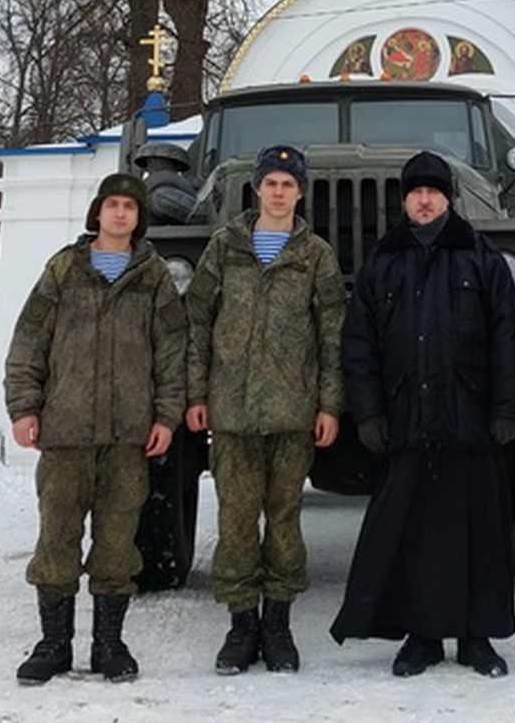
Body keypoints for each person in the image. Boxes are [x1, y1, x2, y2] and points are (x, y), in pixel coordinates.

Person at [330, 149, 515, 679]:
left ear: (448, 199)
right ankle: (422, 637)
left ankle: (476, 637)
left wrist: (508, 408)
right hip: (407, 417)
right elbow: (360, 344)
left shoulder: (481, 258)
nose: (424, 200)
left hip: (470, 417)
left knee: (479, 532)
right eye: (415, 192)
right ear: (405, 201)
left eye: (433, 192)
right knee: (414, 532)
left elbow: (506, 336)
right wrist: (368, 413)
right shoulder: (383, 262)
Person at [5, 172, 186, 686]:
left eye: (130, 206)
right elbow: (29, 342)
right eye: (112, 204)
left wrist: (166, 416)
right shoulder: (63, 270)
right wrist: (24, 408)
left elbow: (172, 352)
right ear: (98, 212)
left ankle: (109, 644)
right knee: (56, 538)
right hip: (65, 432)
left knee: (118, 544)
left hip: (128, 437)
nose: (120, 213)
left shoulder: (154, 277)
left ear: (139, 217)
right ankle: (54, 644)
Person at [185, 144, 345, 674]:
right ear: (257, 189)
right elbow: (198, 321)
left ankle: (278, 625)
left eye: (288, 184)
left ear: (300, 193)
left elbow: (331, 334)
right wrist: (197, 394)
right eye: (271, 183)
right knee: (235, 520)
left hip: (292, 411)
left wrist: (329, 403)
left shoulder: (315, 254)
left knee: (283, 520)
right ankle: (241, 626)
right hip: (231, 410)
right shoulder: (224, 246)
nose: (278, 192)